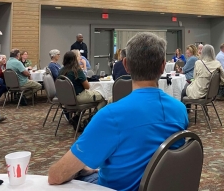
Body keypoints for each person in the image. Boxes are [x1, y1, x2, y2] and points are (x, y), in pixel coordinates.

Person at [48, 32, 189, 191]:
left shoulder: (110, 116)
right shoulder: (180, 110)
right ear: (163, 66)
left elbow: (56, 176)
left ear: (126, 65)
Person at [58, 51, 106, 127]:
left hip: (65, 99)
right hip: (78, 97)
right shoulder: (76, 70)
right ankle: (91, 119)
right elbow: (87, 86)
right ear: (74, 59)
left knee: (90, 97)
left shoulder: (61, 71)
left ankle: (76, 118)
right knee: (104, 97)